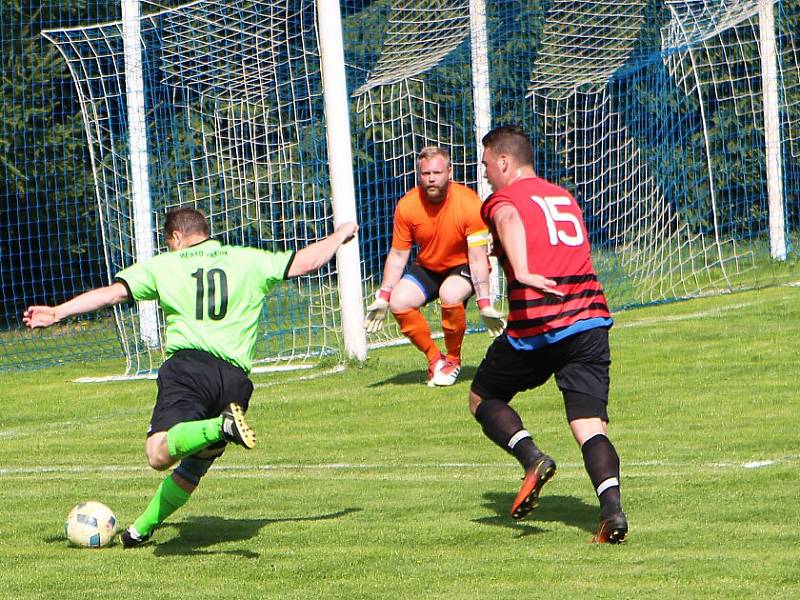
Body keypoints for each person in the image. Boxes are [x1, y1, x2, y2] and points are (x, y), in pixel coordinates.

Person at [23, 207, 358, 548]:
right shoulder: (247, 259)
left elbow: (112, 294)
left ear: (177, 237)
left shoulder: (165, 265)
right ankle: (140, 529)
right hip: (235, 382)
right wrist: (339, 234)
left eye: (169, 243)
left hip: (189, 369)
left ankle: (220, 426)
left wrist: (58, 312)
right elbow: (308, 262)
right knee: (194, 467)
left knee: (157, 454)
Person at [470, 125, 627, 543]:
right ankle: (612, 512)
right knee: (590, 425)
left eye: (487, 164)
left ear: (504, 162)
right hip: (591, 319)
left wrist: (519, 269)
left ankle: (531, 456)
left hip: (540, 324)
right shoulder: (563, 196)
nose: (485, 173)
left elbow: (507, 217)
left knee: (481, 396)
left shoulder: (501, 199)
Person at [364, 146, 505, 386]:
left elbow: (478, 257)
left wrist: (484, 303)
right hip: (429, 266)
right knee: (399, 301)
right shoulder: (407, 206)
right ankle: (434, 359)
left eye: (437, 172)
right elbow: (398, 255)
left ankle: (452, 360)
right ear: (418, 174)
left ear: (449, 172)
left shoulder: (469, 204)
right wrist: (383, 296)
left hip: (464, 265)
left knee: (449, 293)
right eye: (425, 173)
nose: (431, 178)